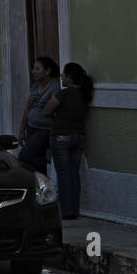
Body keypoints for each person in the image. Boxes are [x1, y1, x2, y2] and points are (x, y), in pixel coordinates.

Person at [43, 62, 93, 219]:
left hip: (61, 136)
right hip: (78, 136)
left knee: (64, 174)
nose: (61, 77)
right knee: (74, 174)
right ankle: (75, 210)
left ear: (70, 77)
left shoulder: (63, 94)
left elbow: (46, 111)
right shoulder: (85, 94)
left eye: (63, 74)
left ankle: (66, 212)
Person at [17, 56, 60, 170]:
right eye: (33, 68)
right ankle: (42, 186)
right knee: (37, 161)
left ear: (47, 71)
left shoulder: (55, 86)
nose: (33, 72)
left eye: (37, 69)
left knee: (24, 156)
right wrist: (22, 131)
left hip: (44, 130)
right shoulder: (35, 86)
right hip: (31, 128)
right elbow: (27, 109)